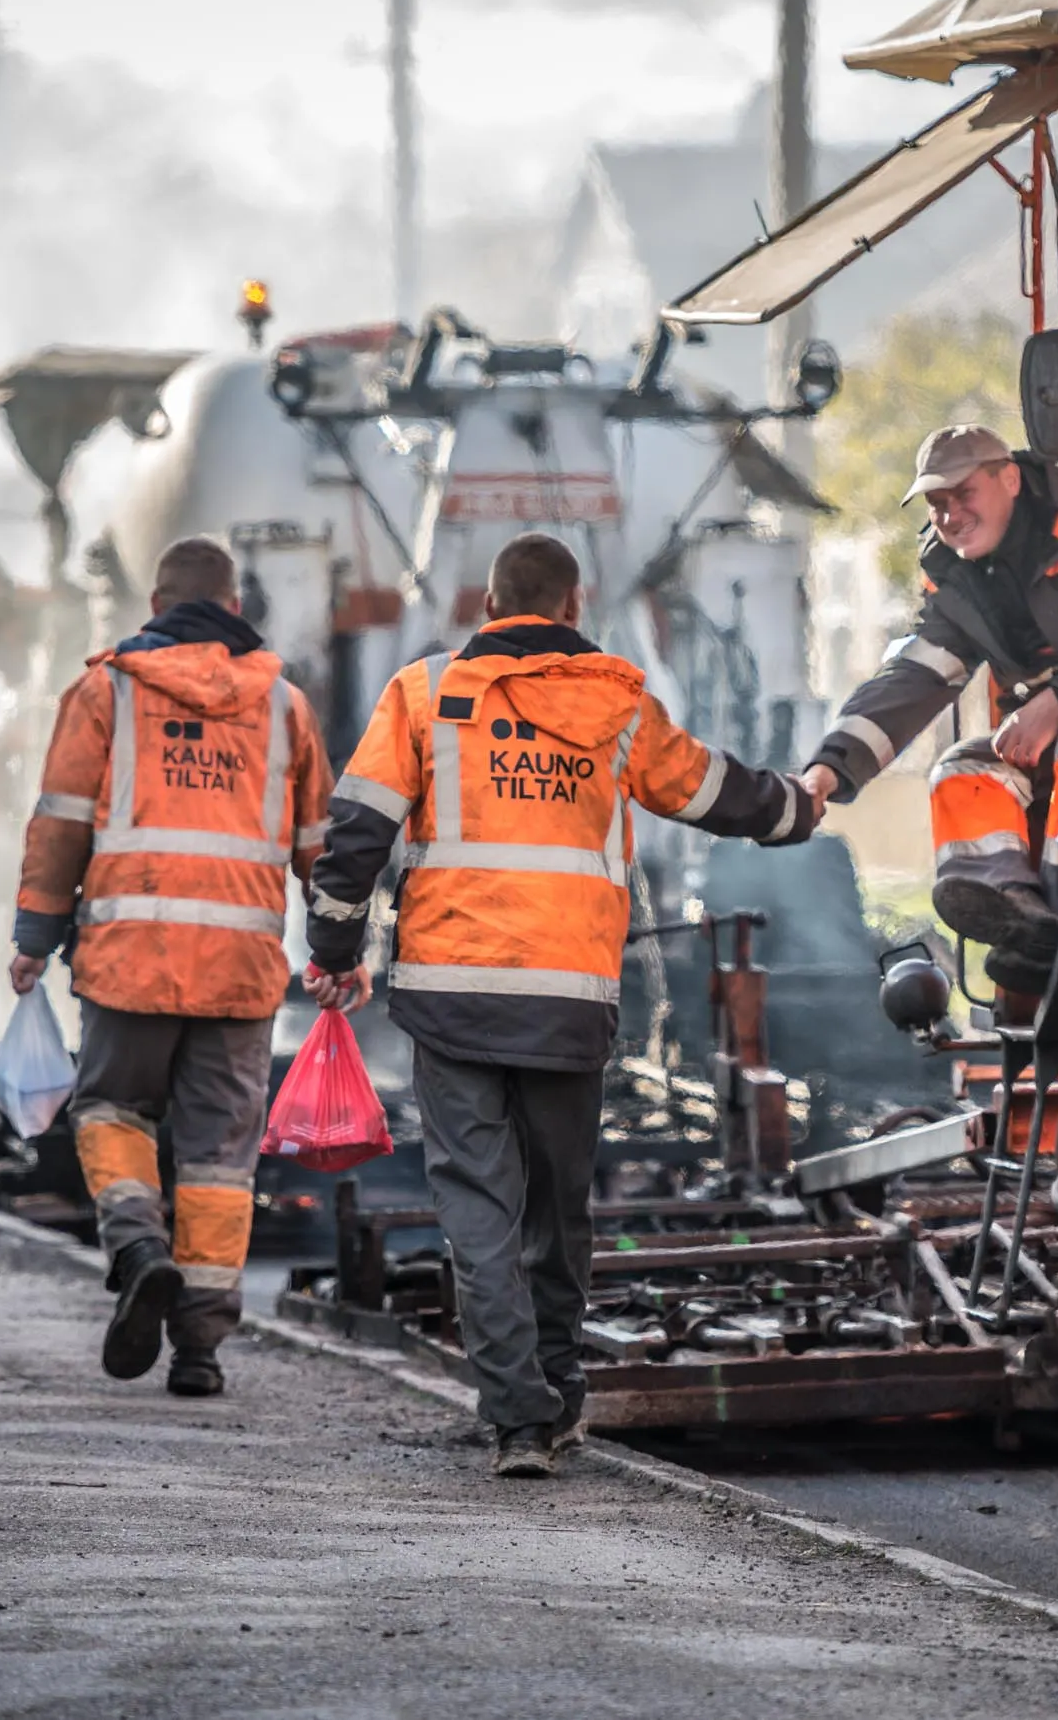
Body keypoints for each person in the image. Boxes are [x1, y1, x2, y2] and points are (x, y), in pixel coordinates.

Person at [303, 532, 816, 1479]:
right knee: (557, 1210)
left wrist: (334, 953)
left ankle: (520, 1421)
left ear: (489, 606)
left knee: (479, 1212)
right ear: (573, 608)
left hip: (451, 999)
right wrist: (802, 806)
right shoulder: (618, 708)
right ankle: (558, 1390)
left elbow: (355, 837)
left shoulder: (422, 696)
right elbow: (716, 793)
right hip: (569, 1004)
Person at [10, 536, 331, 1397]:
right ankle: (200, 1348)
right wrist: (340, 954)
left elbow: (61, 825)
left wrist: (34, 937)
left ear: (156, 603)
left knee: (112, 1106)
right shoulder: (284, 707)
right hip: (240, 971)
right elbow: (319, 849)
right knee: (221, 1156)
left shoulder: (106, 690)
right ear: (235, 606)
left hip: (129, 962)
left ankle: (139, 1244)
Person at [797, 423, 1058, 996]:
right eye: (937, 503)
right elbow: (914, 678)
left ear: (1009, 479)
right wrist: (830, 768)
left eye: (963, 495)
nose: (951, 514)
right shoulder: (955, 578)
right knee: (963, 772)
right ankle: (1026, 919)